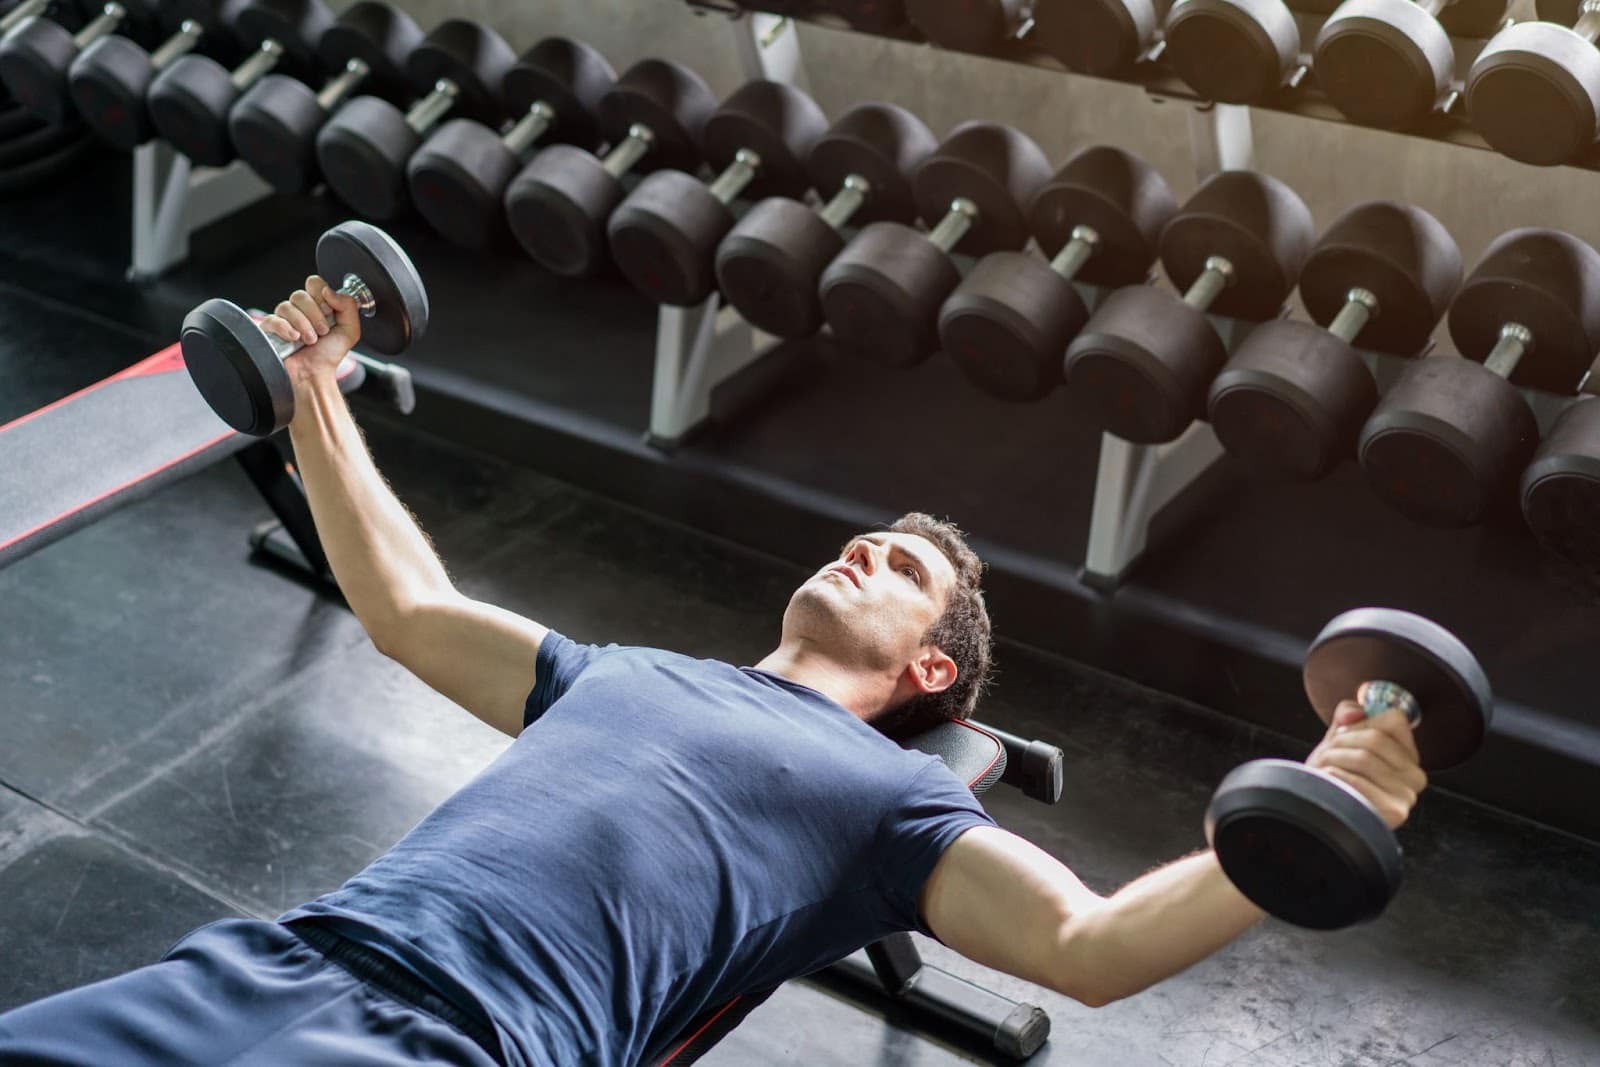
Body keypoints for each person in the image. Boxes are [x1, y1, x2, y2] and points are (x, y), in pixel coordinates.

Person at [0, 277, 1428, 1067]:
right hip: (273, 959)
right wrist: (313, 393)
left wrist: (1324, 800)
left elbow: (1089, 951)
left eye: (902, 569)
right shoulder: (629, 672)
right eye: (867, 537)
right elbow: (406, 604)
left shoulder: (893, 799)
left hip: (470, 1048)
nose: (866, 548)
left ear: (931, 668)